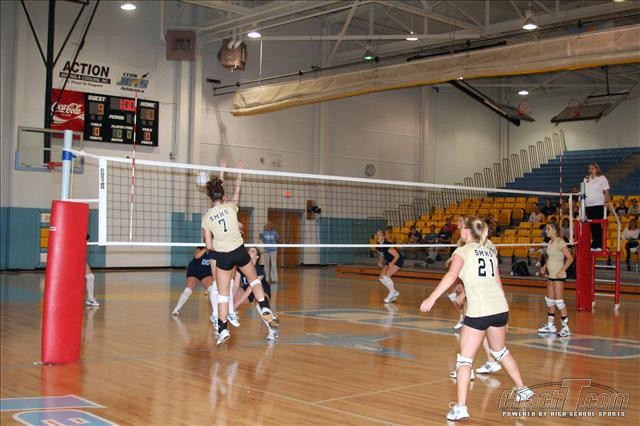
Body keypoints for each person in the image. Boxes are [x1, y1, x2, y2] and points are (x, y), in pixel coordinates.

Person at [420, 217, 533, 421]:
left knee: (464, 360)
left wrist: (432, 297)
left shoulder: (462, 251)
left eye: (461, 228)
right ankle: (523, 389)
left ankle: (461, 408)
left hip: (480, 310)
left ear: (466, 232)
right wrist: (502, 313)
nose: (459, 231)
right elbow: (497, 281)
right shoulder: (489, 250)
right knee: (500, 351)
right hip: (500, 307)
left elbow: (450, 276)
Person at [202, 160, 278, 346]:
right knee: (254, 280)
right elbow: (237, 190)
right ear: (223, 195)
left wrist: (219, 244)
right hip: (239, 251)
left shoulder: (207, 218)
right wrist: (238, 172)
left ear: (210, 197)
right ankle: (264, 307)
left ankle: (222, 329)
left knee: (222, 295)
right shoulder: (230, 208)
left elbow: (209, 245)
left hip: (223, 256)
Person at [537, 222, 574, 337]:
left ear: (554, 230)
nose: (546, 231)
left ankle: (565, 328)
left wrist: (562, 270)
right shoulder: (550, 242)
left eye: (548, 229)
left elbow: (570, 258)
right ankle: (550, 325)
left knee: (559, 302)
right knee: (550, 301)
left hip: (558, 277)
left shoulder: (560, 242)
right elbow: (550, 258)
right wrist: (544, 267)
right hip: (551, 276)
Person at [233, 247, 278, 340]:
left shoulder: (259, 269)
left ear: (257, 257)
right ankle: (222, 326)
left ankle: (272, 329)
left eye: (253, 251)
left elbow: (251, 288)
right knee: (233, 297)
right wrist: (232, 301)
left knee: (260, 306)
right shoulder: (240, 268)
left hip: (261, 288)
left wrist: (237, 304)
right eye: (249, 250)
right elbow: (236, 285)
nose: (249, 252)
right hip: (247, 288)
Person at [171, 246, 221, 322]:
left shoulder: (215, 250)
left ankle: (215, 313)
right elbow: (196, 256)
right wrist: (206, 248)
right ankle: (176, 309)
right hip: (194, 271)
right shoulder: (199, 248)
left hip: (206, 273)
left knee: (212, 289)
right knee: (188, 289)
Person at [583, 162, 610, 251]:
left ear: (597, 169)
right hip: (588, 205)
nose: (591, 170)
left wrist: (606, 201)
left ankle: (599, 244)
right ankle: (594, 244)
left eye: (592, 168)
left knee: (597, 225)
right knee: (592, 226)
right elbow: (583, 191)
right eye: (589, 168)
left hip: (598, 204)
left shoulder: (602, 178)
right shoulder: (586, 179)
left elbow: (606, 191)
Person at [375, 230, 403, 303]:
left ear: (383, 237)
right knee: (381, 278)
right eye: (377, 235)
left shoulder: (387, 245)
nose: (378, 236)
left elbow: (397, 256)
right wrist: (380, 262)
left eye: (380, 235)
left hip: (397, 260)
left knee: (386, 276)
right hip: (389, 260)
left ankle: (392, 293)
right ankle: (393, 292)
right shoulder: (377, 246)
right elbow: (381, 255)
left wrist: (391, 264)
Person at [85, 235, 99, 307]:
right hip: (69, 259)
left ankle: (90, 299)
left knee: (90, 277)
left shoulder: (85, 244)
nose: (88, 242)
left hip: (79, 260)